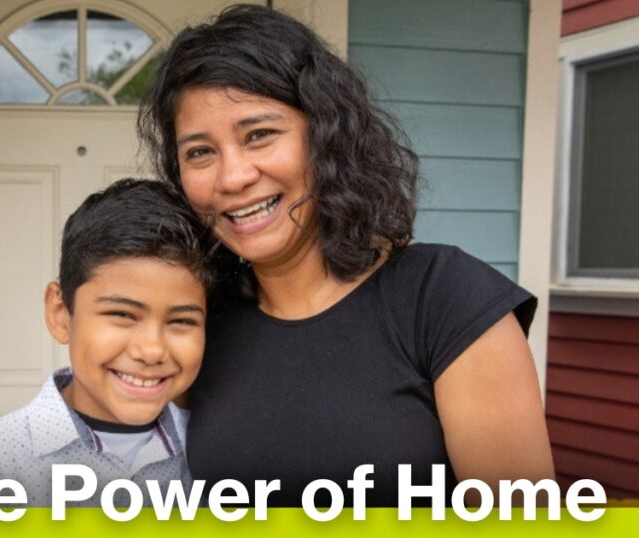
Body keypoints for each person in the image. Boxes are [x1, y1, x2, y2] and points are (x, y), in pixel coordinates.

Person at [137, 4, 555, 506]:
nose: (232, 178)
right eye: (200, 152)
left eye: (260, 135)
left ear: (327, 136)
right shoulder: (203, 323)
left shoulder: (444, 298)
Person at [0, 179, 214, 508]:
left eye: (181, 321)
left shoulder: (212, 447)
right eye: (122, 314)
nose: (152, 350)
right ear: (60, 313)